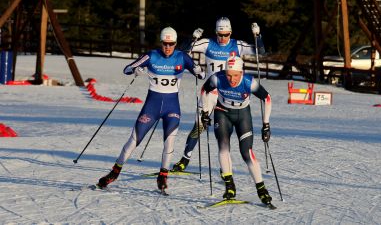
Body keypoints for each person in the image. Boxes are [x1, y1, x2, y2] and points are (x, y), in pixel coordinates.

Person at [97, 27, 205, 192]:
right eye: (165, 44)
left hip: (172, 108)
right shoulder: (151, 55)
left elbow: (202, 75)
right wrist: (136, 69)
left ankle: (163, 176)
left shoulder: (182, 57)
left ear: (175, 44)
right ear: (161, 43)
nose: (168, 47)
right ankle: (114, 172)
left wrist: (198, 71)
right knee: (134, 140)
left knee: (169, 142)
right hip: (151, 107)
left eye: (171, 44)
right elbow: (126, 69)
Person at [172, 17, 267, 172]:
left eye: (226, 34)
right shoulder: (208, 44)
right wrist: (193, 38)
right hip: (211, 92)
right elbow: (183, 51)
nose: (223, 38)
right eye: (220, 35)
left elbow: (260, 52)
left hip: (229, 94)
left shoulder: (238, 45)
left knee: (227, 130)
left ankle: (226, 167)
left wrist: (258, 36)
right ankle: (185, 159)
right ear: (216, 32)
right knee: (199, 126)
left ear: (230, 33)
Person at [200, 55, 273, 206]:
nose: (231, 79)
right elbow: (204, 90)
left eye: (235, 75)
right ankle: (229, 186)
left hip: (242, 115)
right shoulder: (217, 78)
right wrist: (205, 112)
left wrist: (266, 124)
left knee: (247, 152)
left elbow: (267, 98)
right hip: (222, 112)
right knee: (223, 147)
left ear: (241, 72)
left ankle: (261, 189)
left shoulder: (249, 82)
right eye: (228, 74)